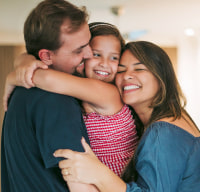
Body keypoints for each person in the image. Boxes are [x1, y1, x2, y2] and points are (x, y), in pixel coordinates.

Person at [53, 41, 200, 192]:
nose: (127, 76)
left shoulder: (162, 131)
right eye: (121, 71)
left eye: (139, 69)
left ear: (161, 77)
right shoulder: (175, 120)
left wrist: (99, 173)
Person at [3, 22, 139, 177]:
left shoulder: (109, 93)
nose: (104, 64)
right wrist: (24, 60)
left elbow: (47, 78)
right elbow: (30, 61)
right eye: (97, 54)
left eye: (114, 58)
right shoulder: (78, 90)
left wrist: (13, 77)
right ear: (83, 55)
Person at [1, 0, 98, 192]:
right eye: (79, 50)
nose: (89, 54)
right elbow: (82, 185)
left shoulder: (19, 94)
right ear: (46, 56)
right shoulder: (56, 99)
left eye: (88, 44)